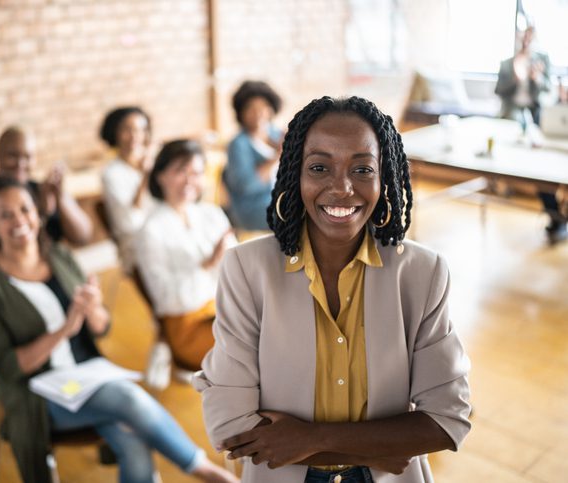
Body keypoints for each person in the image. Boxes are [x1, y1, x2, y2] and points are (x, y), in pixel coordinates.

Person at [194, 96, 472, 483]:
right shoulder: (247, 269)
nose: (341, 188)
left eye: (362, 169)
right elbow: (229, 426)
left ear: (383, 176)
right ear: (296, 174)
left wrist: (312, 439)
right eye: (319, 167)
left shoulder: (422, 273)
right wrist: (383, 445)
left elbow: (447, 420)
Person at [0, 176, 237, 483]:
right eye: (6, 215)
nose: (19, 220)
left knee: (132, 440)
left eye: (25, 209)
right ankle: (206, 471)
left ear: (37, 213)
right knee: (128, 398)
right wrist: (63, 331)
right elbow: (5, 366)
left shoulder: (58, 256)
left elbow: (101, 326)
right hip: (40, 395)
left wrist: (91, 308)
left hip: (87, 376)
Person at [135, 140, 236, 371]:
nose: (190, 181)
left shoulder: (211, 214)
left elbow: (237, 275)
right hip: (188, 325)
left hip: (227, 311)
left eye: (197, 173)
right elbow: (168, 299)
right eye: (181, 171)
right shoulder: (150, 231)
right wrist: (208, 265)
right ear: (160, 176)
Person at [0, 126, 93, 271]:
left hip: (47, 274)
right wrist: (40, 212)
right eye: (12, 156)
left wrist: (60, 197)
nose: (20, 164)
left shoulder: (42, 190)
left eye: (28, 157)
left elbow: (83, 237)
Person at [495, 26, 565, 243]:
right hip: (513, 116)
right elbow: (499, 90)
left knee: (544, 166)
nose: (525, 41)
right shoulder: (507, 63)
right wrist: (516, 78)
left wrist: (535, 78)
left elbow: (547, 90)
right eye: (522, 37)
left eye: (529, 37)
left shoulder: (542, 60)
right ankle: (556, 216)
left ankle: (556, 215)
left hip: (537, 116)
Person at [222, 80, 284, 231]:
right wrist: (277, 157)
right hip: (251, 210)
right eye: (251, 109)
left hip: (280, 201)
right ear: (241, 113)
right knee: (296, 217)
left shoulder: (277, 134)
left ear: (271, 110)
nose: (258, 114)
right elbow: (246, 185)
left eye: (263, 107)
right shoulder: (238, 144)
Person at [100, 107, 155, 269]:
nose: (135, 136)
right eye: (127, 129)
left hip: (161, 230)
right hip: (136, 243)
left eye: (141, 130)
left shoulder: (152, 159)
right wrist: (146, 176)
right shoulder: (111, 174)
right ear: (115, 132)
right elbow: (129, 222)